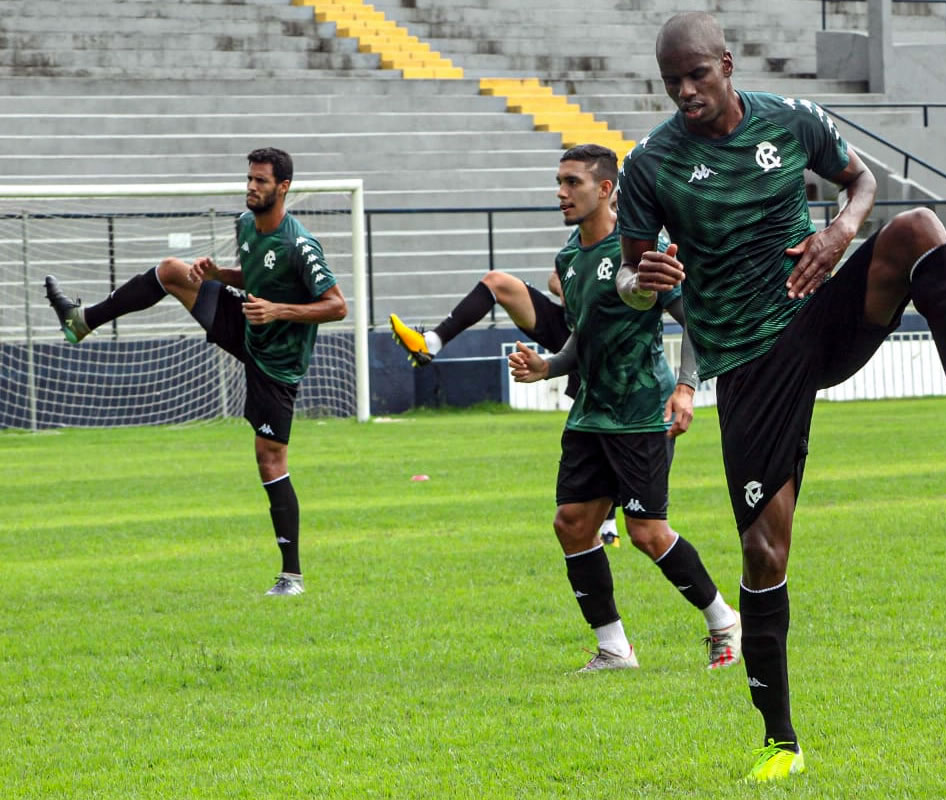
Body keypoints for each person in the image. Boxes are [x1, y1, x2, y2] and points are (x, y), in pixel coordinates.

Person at [614, 12, 946, 782]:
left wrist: (843, 229)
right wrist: (643, 281)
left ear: (727, 62)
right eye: (671, 81)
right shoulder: (651, 164)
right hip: (748, 361)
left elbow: (865, 181)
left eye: (696, 75)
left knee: (916, 225)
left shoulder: (792, 119)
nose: (685, 91)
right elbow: (628, 273)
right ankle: (780, 740)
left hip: (818, 310)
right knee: (763, 551)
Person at [44, 147, 346, 596]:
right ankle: (82, 321)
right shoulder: (246, 225)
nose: (251, 187)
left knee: (269, 460)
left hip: (277, 363)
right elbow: (257, 275)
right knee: (172, 271)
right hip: (245, 324)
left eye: (261, 181)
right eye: (249, 178)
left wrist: (279, 310)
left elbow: (337, 306)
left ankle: (291, 577)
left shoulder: (300, 244)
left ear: (283, 188)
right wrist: (220, 273)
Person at [508, 143, 742, 673]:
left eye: (573, 183)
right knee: (571, 523)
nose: (561, 192)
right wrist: (547, 367)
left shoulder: (640, 251)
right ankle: (615, 648)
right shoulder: (569, 258)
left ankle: (724, 621)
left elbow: (697, 323)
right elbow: (582, 339)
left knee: (646, 532)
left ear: (607, 189)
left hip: (641, 411)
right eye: (559, 182)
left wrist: (685, 389)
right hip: (591, 412)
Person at [386, 196, 629, 544]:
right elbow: (555, 277)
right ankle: (432, 343)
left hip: (611, 341)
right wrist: (573, 286)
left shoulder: (632, 236)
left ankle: (608, 526)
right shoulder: (581, 236)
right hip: (571, 324)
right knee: (497, 281)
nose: (565, 193)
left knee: (598, 423)